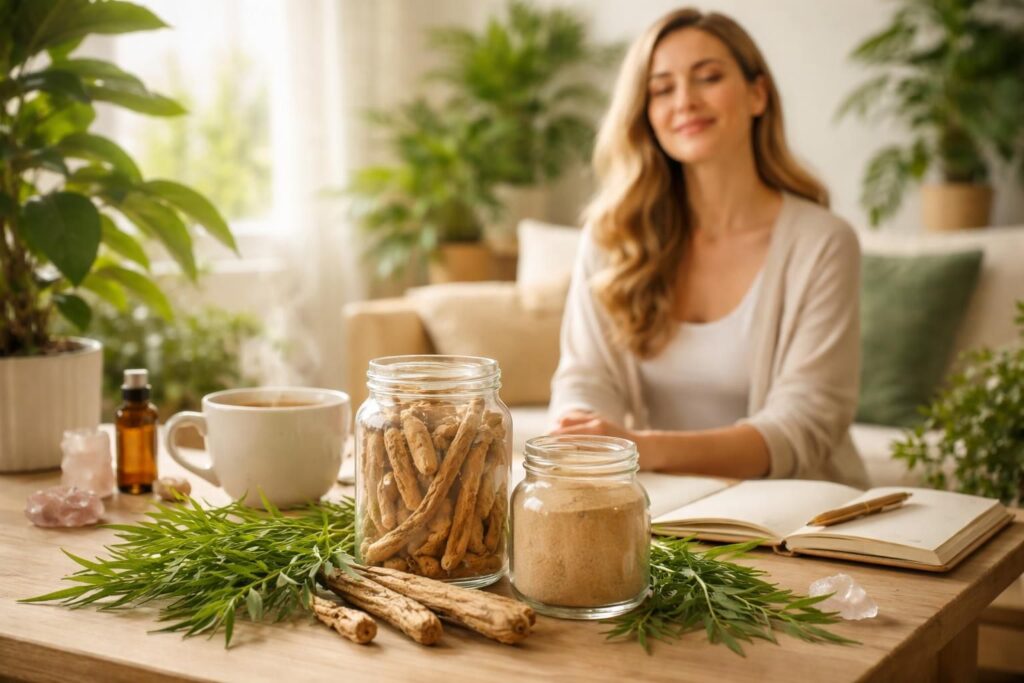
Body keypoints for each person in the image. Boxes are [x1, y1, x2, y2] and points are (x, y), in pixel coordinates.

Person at [549, 7, 869, 487]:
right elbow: (586, 378)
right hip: (666, 511)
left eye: (708, 77)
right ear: (646, 113)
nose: (685, 102)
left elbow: (804, 425)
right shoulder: (613, 236)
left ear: (757, 94)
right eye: (661, 88)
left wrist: (640, 447)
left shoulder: (823, 243)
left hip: (799, 517)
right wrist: (585, 435)